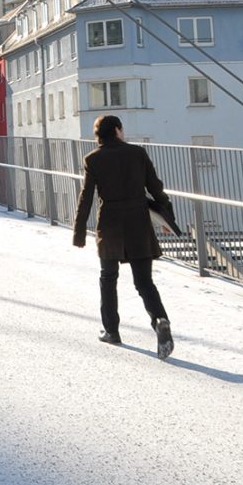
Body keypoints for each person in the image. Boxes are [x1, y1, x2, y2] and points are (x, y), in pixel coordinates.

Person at [72, 115, 175, 357]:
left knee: (108, 278)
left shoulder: (93, 159)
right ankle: (160, 320)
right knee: (144, 282)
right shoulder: (137, 153)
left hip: (110, 226)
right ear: (118, 130)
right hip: (138, 223)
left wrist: (79, 233)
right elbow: (156, 188)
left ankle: (112, 331)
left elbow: (86, 196)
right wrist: (168, 217)